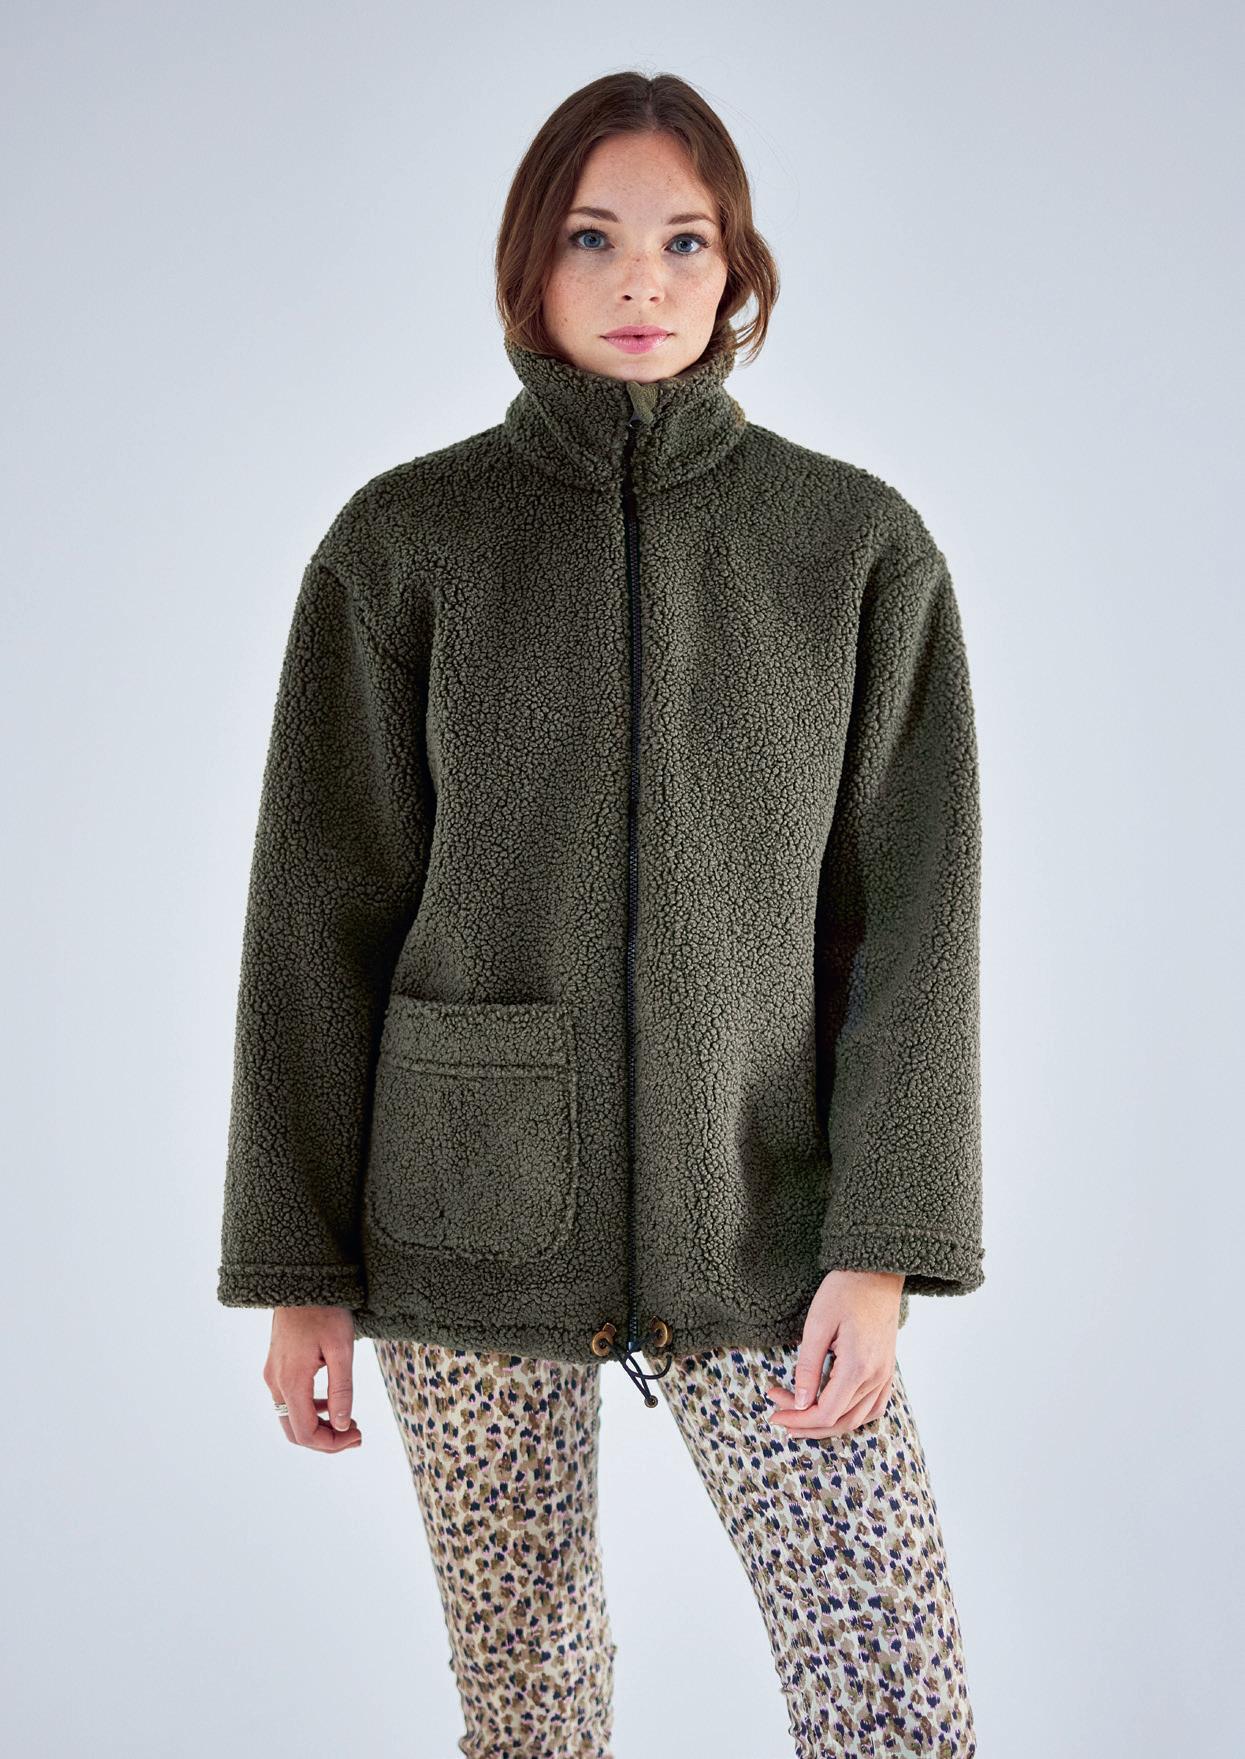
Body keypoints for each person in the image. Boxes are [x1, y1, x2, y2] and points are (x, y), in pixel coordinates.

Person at [217, 69, 984, 1759]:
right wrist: (297, 1268)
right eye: (593, 237)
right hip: (462, 1212)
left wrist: (880, 1244)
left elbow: (914, 930)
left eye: (683, 241)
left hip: (766, 1214)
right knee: (531, 1704)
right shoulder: (404, 543)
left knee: (891, 1696)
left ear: (736, 270)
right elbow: (313, 923)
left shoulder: (853, 549)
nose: (642, 278)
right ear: (530, 264)